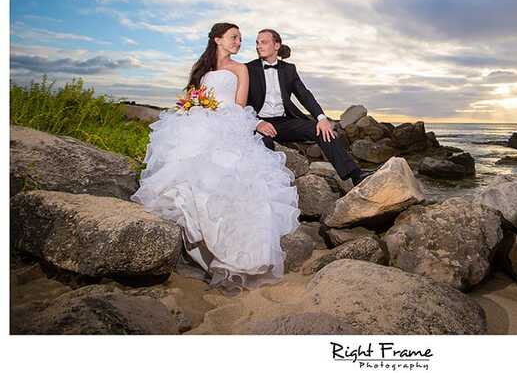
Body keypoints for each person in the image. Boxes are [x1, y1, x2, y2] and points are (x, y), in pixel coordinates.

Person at [131, 23, 300, 292]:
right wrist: (193, 105)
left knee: (228, 176)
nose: (238, 43)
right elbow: (192, 96)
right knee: (184, 170)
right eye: (234, 38)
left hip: (226, 122)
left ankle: (233, 252)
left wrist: (222, 116)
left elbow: (239, 105)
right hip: (198, 120)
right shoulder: (202, 71)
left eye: (241, 39)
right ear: (217, 39)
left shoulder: (240, 69)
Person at [246, 29, 368, 186]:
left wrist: (321, 118)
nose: (258, 46)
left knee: (321, 130)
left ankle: (355, 174)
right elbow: (242, 103)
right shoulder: (248, 69)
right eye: (257, 42)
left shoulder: (289, 69)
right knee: (264, 143)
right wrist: (257, 123)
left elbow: (304, 95)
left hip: (284, 123)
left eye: (263, 42)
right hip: (259, 122)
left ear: (277, 45)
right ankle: (270, 189)